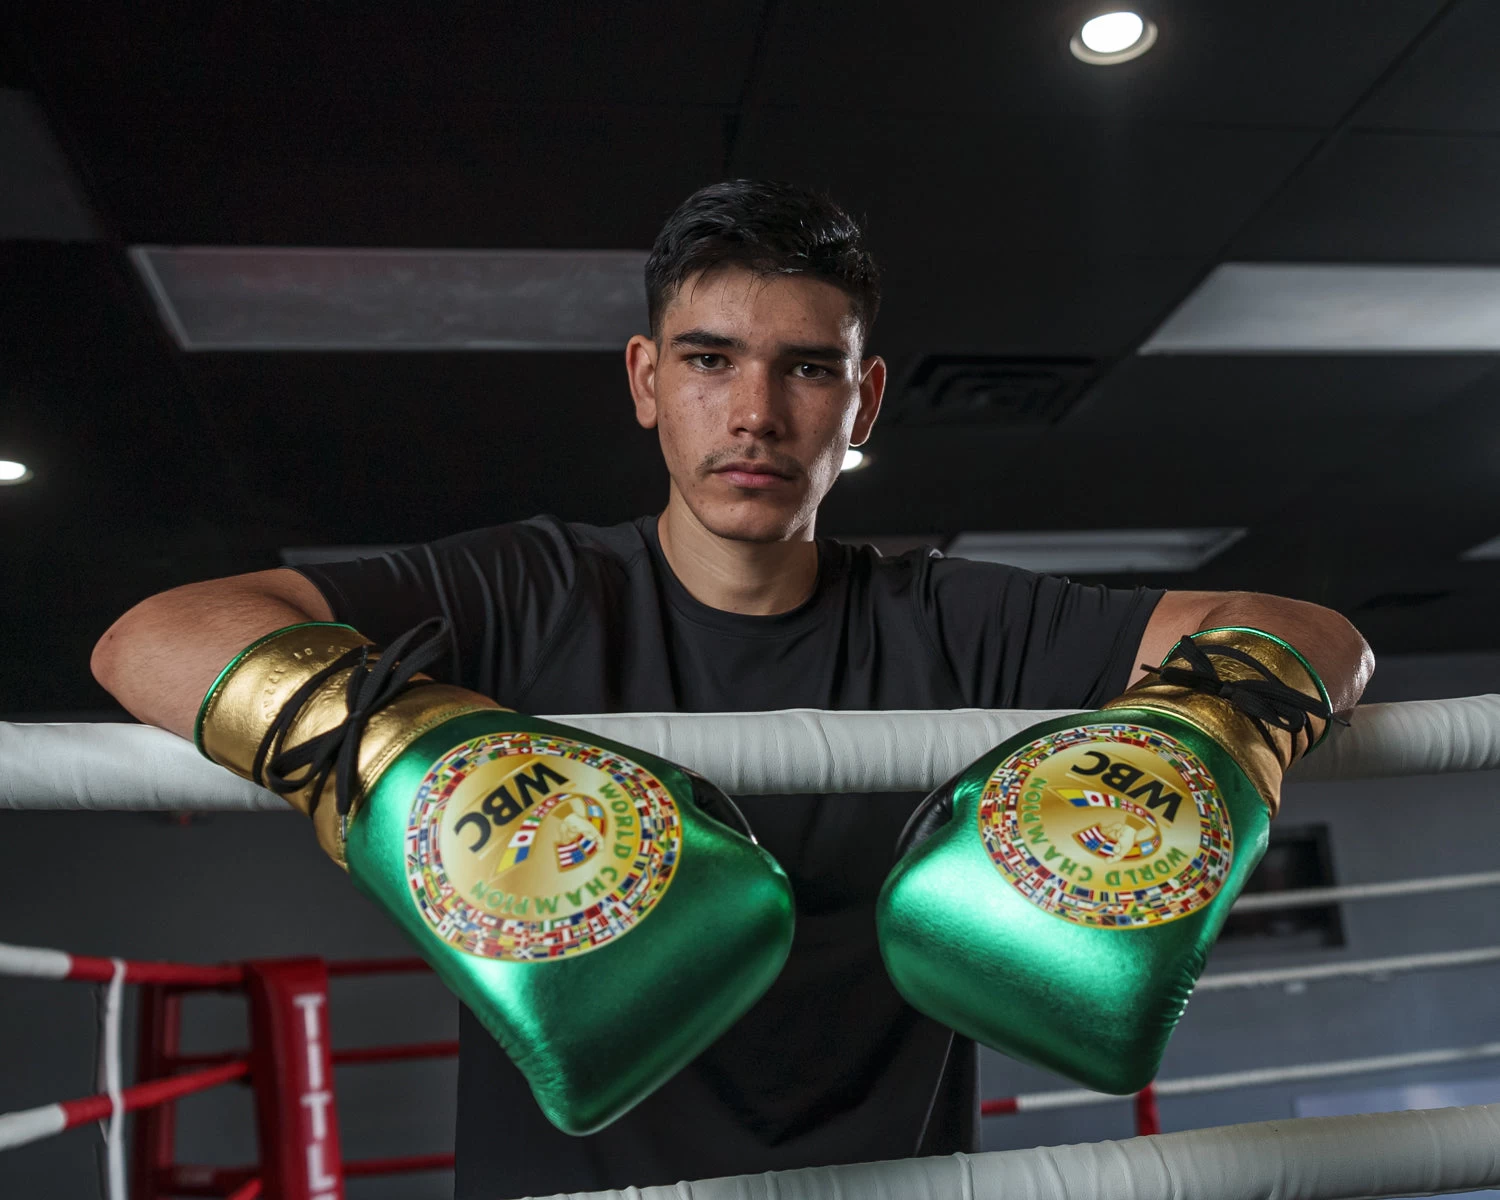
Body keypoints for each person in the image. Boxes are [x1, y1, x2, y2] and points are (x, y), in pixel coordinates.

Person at [91, 178, 1374, 1196]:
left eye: (807, 368)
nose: (754, 412)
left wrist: (1205, 729)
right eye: (710, 360)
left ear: (863, 403)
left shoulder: (948, 617)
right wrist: (405, 747)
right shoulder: (527, 591)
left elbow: (1305, 632)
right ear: (648, 382)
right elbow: (153, 637)